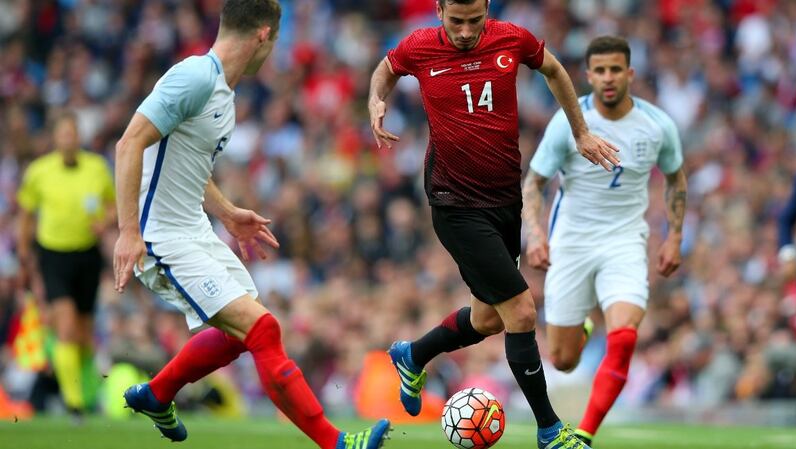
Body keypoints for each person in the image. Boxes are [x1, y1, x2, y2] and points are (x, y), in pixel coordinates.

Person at [113, 1, 390, 447]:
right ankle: (336, 443)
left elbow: (186, 164)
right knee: (263, 329)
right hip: (160, 235)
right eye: (276, 42)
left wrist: (227, 213)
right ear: (264, 35)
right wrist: (129, 232)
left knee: (238, 336)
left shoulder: (223, 92)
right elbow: (129, 144)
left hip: (196, 230)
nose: (274, 51)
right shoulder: (194, 77)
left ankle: (156, 394)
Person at [368, 1, 619, 448]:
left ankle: (414, 355)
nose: (465, 31)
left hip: (504, 201)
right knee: (521, 310)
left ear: (486, 10)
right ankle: (550, 430)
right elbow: (386, 68)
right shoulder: (419, 46)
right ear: (439, 9)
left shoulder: (512, 38)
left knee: (488, 319)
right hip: (455, 204)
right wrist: (376, 98)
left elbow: (557, 72)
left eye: (474, 21)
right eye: (455, 20)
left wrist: (580, 132)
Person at [522, 36, 687, 446]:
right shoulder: (567, 122)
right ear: (589, 75)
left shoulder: (658, 125)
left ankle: (584, 435)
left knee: (626, 334)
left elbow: (675, 179)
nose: (609, 78)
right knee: (562, 360)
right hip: (573, 241)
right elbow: (535, 182)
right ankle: (587, 324)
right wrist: (536, 232)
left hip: (625, 240)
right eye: (600, 70)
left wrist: (674, 237)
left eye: (616, 69)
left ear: (629, 73)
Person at [17, 111, 116, 417]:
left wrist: (106, 222)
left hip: (86, 254)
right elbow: (27, 216)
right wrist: (24, 253)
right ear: (55, 139)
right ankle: (74, 404)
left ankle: (86, 393)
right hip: (53, 254)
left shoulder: (96, 168)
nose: (67, 140)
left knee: (85, 332)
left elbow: (113, 206)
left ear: (78, 138)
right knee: (67, 326)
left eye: (71, 134)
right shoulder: (39, 172)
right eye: (62, 135)